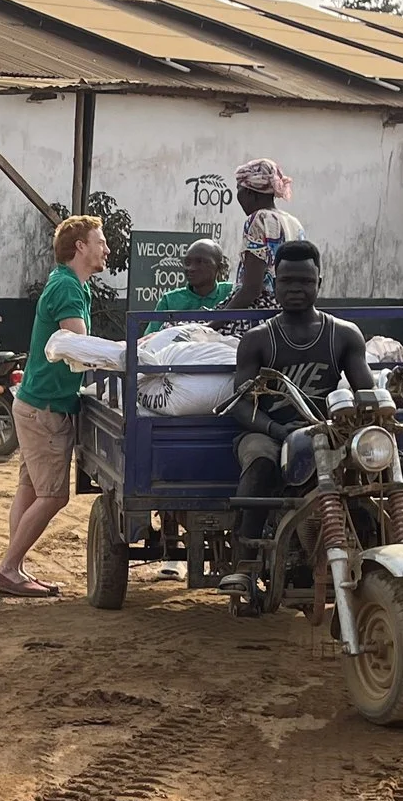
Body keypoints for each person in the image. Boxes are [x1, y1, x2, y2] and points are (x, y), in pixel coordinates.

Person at [228, 240, 379, 586]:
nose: (296, 289)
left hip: (327, 432)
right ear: (274, 283)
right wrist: (276, 430)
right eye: (287, 281)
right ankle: (245, 563)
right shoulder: (257, 339)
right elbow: (240, 403)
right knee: (260, 462)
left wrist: (367, 419)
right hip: (268, 432)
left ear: (319, 283)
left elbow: (366, 393)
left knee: (380, 457)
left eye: (306, 281)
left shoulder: (344, 335)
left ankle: (389, 548)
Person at [0, 214, 108, 599]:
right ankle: (9, 568)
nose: (106, 249)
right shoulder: (68, 288)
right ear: (80, 247)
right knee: (54, 496)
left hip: (35, 403)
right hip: (46, 408)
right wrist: (125, 355)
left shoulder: (69, 284)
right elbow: (81, 348)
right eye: (100, 242)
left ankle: (14, 566)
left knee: (29, 488)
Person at [231, 159, 304, 308]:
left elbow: (251, 289)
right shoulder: (294, 222)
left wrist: (218, 319)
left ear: (250, 191)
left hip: (260, 310)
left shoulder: (259, 219)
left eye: (239, 189)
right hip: (286, 309)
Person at [150, 238, 232, 325]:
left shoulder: (231, 293)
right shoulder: (169, 301)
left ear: (219, 267)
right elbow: (153, 333)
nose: (191, 268)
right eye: (187, 262)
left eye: (200, 262)